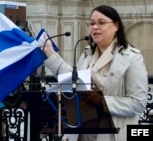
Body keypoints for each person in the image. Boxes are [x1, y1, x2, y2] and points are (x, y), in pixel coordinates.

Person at [41, 5, 148, 141]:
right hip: (81, 132)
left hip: (111, 134)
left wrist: (101, 101)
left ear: (116, 26)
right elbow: (73, 80)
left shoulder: (132, 57)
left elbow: (138, 103)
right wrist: (50, 54)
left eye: (101, 23)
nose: (95, 27)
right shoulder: (87, 53)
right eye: (92, 23)